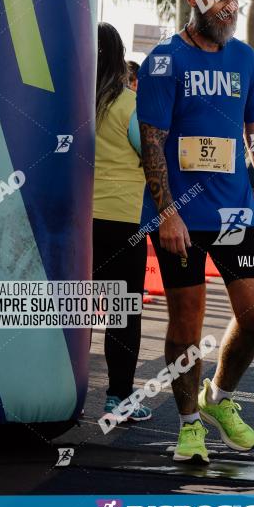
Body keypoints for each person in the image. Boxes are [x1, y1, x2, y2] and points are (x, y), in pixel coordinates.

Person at [136, 0, 254, 464]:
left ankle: (217, 399)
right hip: (180, 216)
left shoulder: (244, 59)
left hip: (234, 214)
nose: (230, 6)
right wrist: (167, 214)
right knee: (187, 321)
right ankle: (187, 425)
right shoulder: (163, 61)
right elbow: (153, 145)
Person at [92, 22, 151, 422]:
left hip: (77, 221)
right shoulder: (127, 104)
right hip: (124, 220)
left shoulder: (71, 101)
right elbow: (152, 156)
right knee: (122, 313)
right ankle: (119, 399)